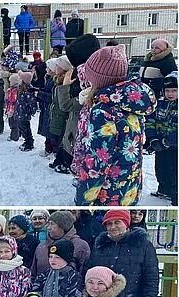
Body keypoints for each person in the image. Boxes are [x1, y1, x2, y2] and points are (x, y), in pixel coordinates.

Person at [75, 44, 156, 206]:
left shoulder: (103, 111)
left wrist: (84, 198)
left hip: (107, 192)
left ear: (98, 78)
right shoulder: (132, 101)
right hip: (129, 187)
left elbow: (98, 160)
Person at [151, 75, 179, 201]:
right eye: (167, 91)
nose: (170, 93)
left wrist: (168, 141)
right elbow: (150, 121)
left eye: (174, 90)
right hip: (160, 145)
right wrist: (153, 139)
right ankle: (163, 189)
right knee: (160, 168)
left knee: (173, 171)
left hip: (173, 147)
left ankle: (174, 193)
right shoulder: (159, 104)